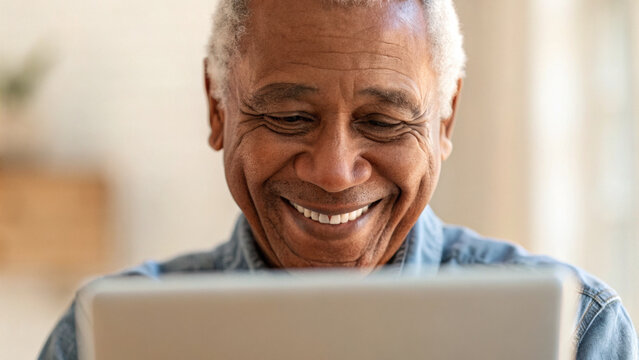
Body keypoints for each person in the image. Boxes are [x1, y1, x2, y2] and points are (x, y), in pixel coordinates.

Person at [39, 0, 638, 359]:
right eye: (289, 117)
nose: (333, 171)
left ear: (445, 118)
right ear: (217, 106)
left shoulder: (576, 336)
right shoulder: (101, 341)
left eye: (382, 121)